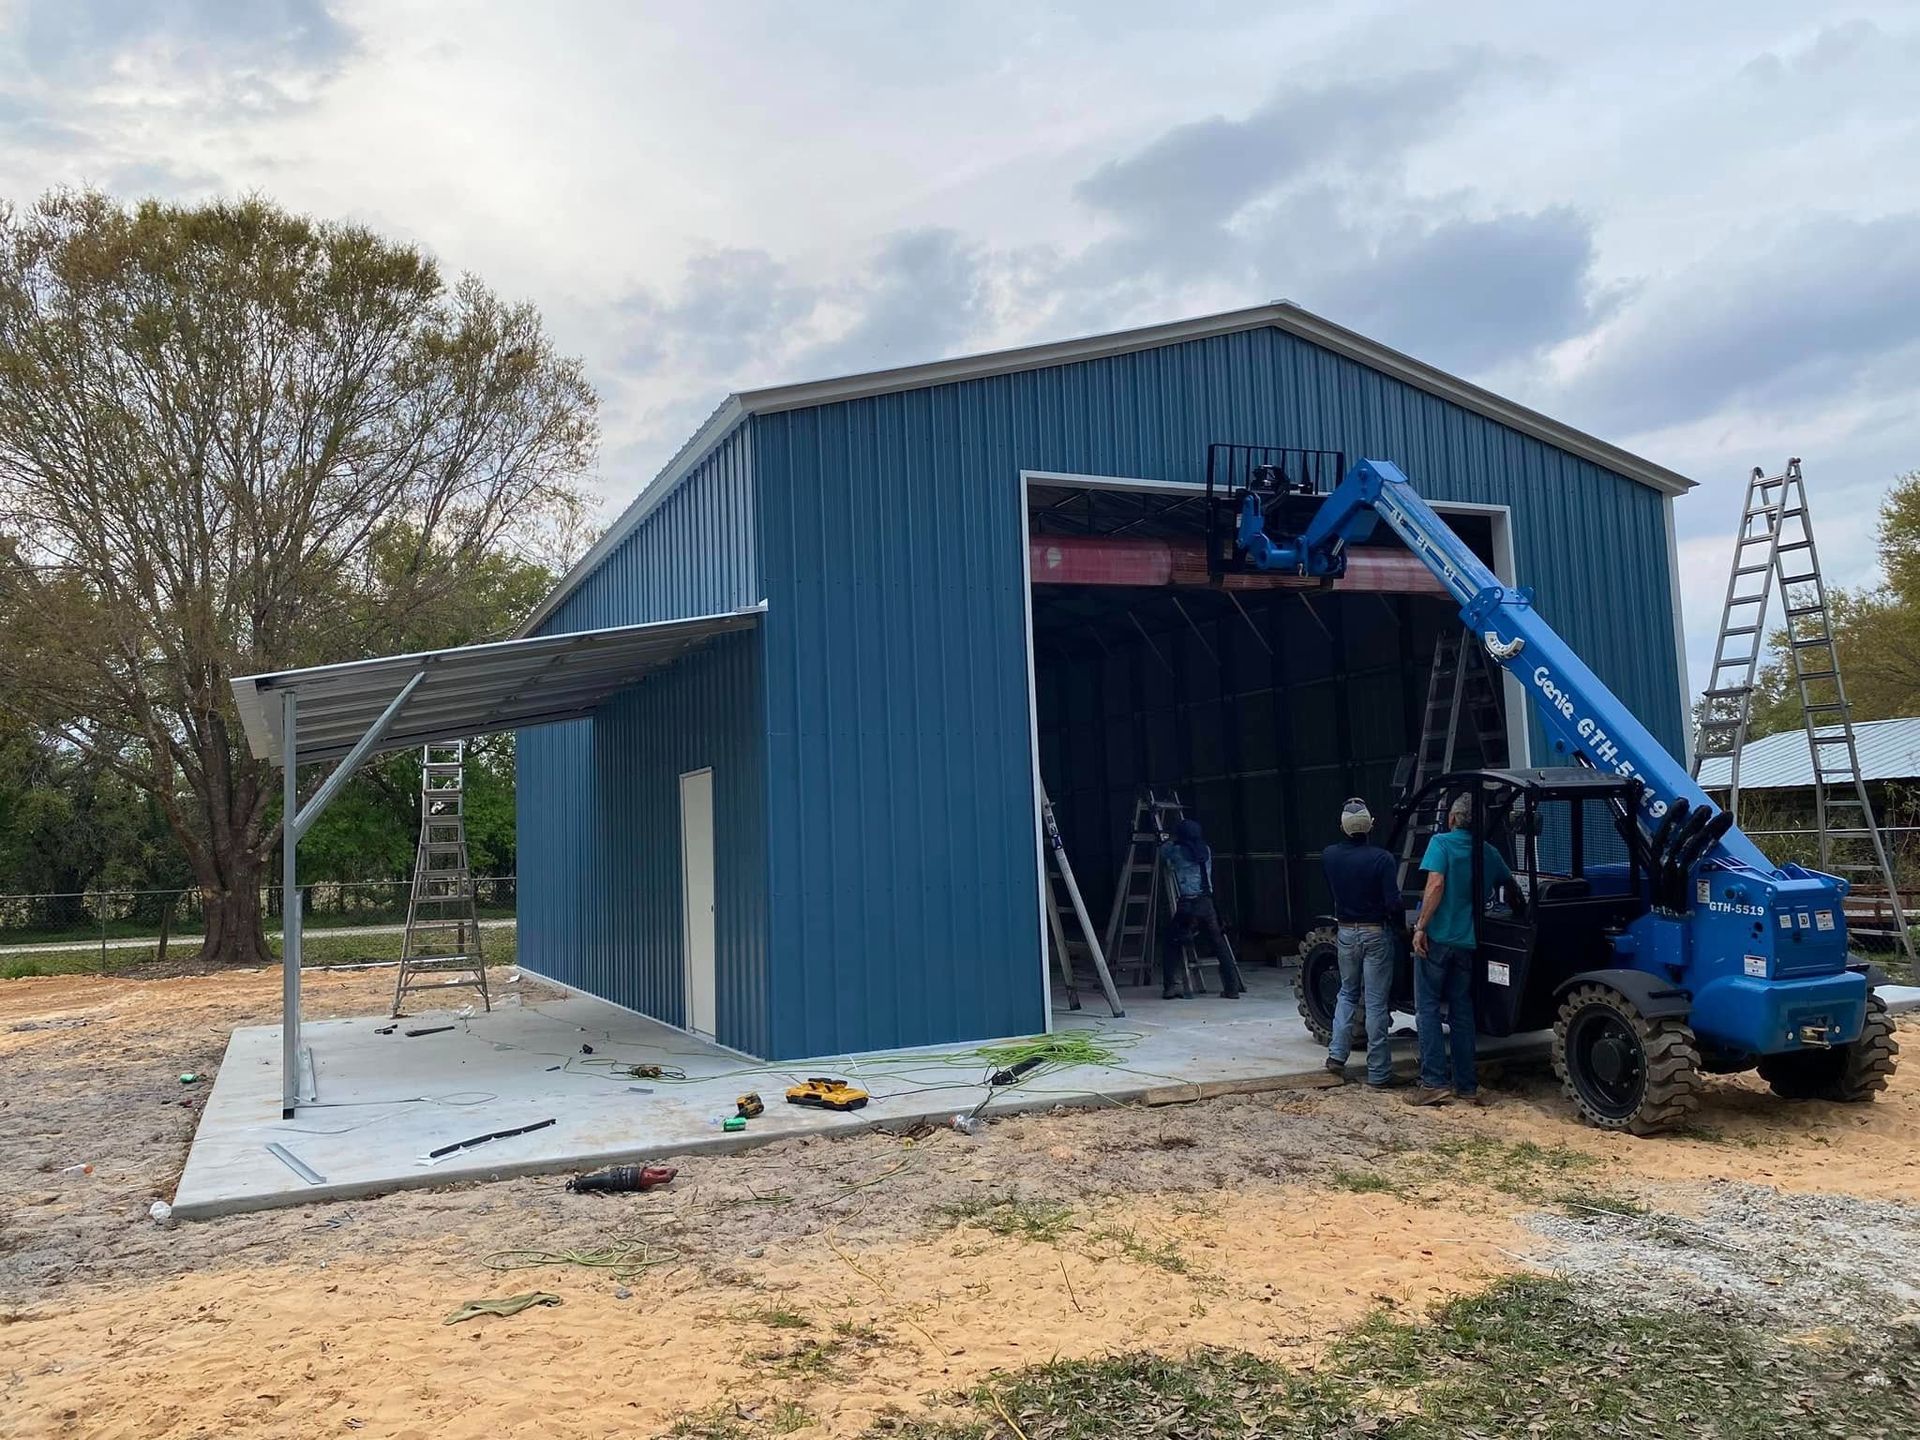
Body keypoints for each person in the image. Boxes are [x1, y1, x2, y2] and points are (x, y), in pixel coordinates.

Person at [1407, 792, 1526, 1106]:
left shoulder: (1441, 844)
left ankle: (1433, 1081)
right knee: (1461, 1012)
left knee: (1428, 1008)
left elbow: (1435, 885)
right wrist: (1519, 912)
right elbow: (1512, 887)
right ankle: (1466, 1084)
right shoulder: (1487, 851)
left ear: (1452, 818)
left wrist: (1421, 926)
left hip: (1438, 939)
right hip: (1467, 943)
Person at [1318, 798, 1407, 1089]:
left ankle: (1336, 1055)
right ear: (1370, 826)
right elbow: (1393, 903)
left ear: (1341, 827)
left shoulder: (1330, 855)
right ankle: (1379, 1072)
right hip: (1375, 932)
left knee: (1346, 993)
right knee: (1376, 1003)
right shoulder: (1382, 859)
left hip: (1345, 931)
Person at [1159, 817, 1245, 1000]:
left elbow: (1162, 852)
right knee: (1219, 944)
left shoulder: (1177, 852)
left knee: (1170, 941)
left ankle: (1170, 987)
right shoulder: (1205, 850)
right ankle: (1232, 988)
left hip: (1188, 905)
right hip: (1207, 904)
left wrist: (1170, 839)